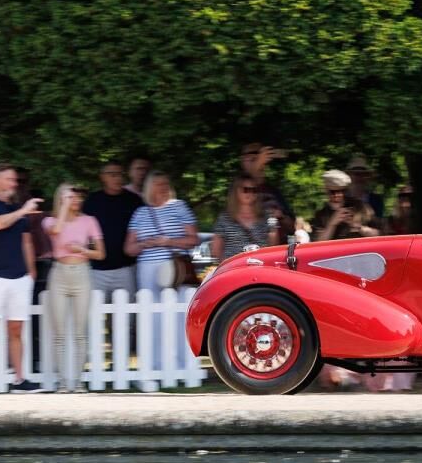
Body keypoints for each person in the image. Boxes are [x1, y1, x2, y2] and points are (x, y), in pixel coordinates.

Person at [0, 163, 47, 394]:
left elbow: (26, 242)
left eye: (15, 179)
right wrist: (23, 211)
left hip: (19, 278)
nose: (14, 183)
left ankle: (20, 380)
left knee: (16, 330)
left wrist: (31, 272)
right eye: (9, 179)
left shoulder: (16, 208)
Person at [125, 171, 198, 391]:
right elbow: (129, 248)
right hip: (148, 268)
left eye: (166, 183)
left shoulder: (179, 207)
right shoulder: (140, 213)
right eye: (158, 184)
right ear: (149, 187)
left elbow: (193, 239)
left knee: (178, 317)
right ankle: (154, 366)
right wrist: (144, 244)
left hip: (175, 269)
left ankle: (182, 365)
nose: (163, 187)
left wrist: (168, 241)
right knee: (152, 319)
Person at [43, 183, 105, 392]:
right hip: (59, 274)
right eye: (70, 197)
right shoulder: (49, 221)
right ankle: (62, 382)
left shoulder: (89, 221)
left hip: (82, 274)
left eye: (77, 197)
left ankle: (78, 382)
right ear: (60, 199)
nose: (75, 200)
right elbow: (56, 230)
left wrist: (82, 250)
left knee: (80, 333)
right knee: (59, 334)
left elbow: (101, 254)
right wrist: (63, 208)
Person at [83, 160, 143, 299]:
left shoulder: (133, 200)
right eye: (112, 174)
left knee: (128, 309)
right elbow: (84, 233)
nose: (118, 178)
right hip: (97, 269)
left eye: (120, 174)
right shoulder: (92, 201)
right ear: (102, 177)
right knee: (96, 309)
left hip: (126, 268)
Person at [211, 173, 282, 261]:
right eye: (246, 189)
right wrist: (228, 264)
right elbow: (216, 251)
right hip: (234, 267)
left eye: (254, 190)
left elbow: (273, 248)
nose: (250, 193)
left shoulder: (268, 217)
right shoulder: (224, 218)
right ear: (236, 191)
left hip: (260, 266)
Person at [239, 143, 295, 237]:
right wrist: (258, 162)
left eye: (259, 153)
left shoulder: (274, 192)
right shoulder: (237, 189)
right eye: (252, 153)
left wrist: (281, 216)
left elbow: (292, 229)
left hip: (277, 245)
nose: (257, 156)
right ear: (242, 160)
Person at [313, 170, 380, 240]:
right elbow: (319, 242)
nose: (338, 195)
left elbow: (379, 234)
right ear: (326, 191)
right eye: (333, 192)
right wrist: (332, 223)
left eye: (342, 191)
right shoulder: (321, 215)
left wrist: (358, 226)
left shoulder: (360, 206)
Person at [346, 156, 386, 221]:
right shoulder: (342, 199)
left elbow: (379, 223)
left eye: (363, 174)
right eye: (356, 174)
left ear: (367, 178)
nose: (360, 178)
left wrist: (371, 216)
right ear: (349, 176)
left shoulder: (376, 200)